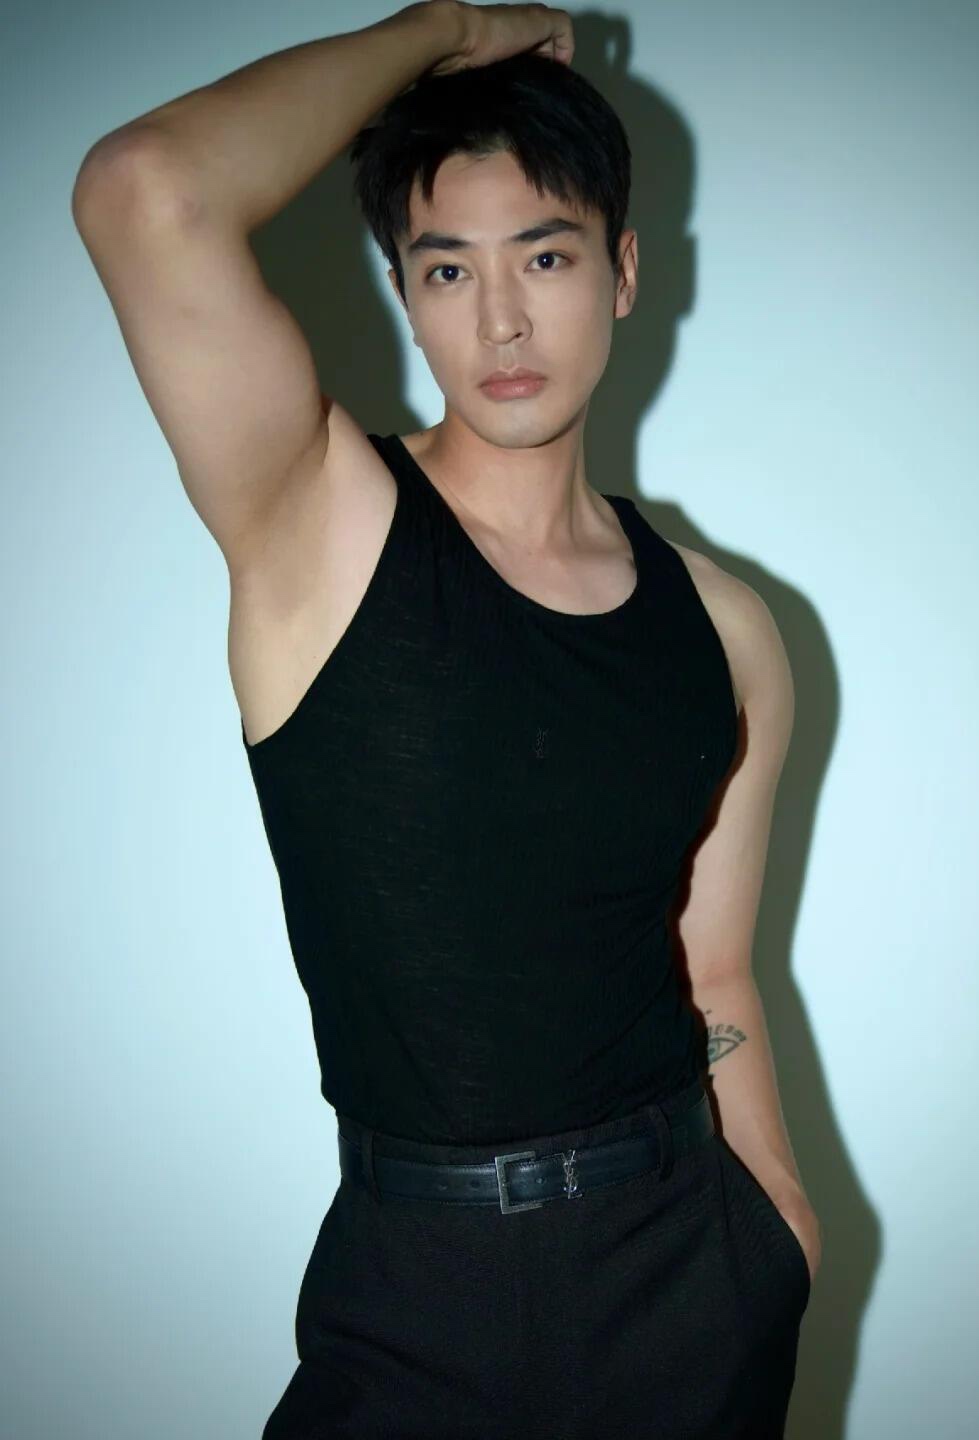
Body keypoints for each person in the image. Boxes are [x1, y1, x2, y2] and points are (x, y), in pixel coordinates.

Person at [71, 2, 821, 1434]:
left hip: (688, 1274)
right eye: (448, 268)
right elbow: (145, 188)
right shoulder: (322, 525)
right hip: (416, 1290)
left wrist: (776, 1229)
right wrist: (449, 27)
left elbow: (717, 973)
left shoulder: (728, 629)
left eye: (545, 254)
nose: (501, 320)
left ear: (622, 271)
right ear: (405, 295)